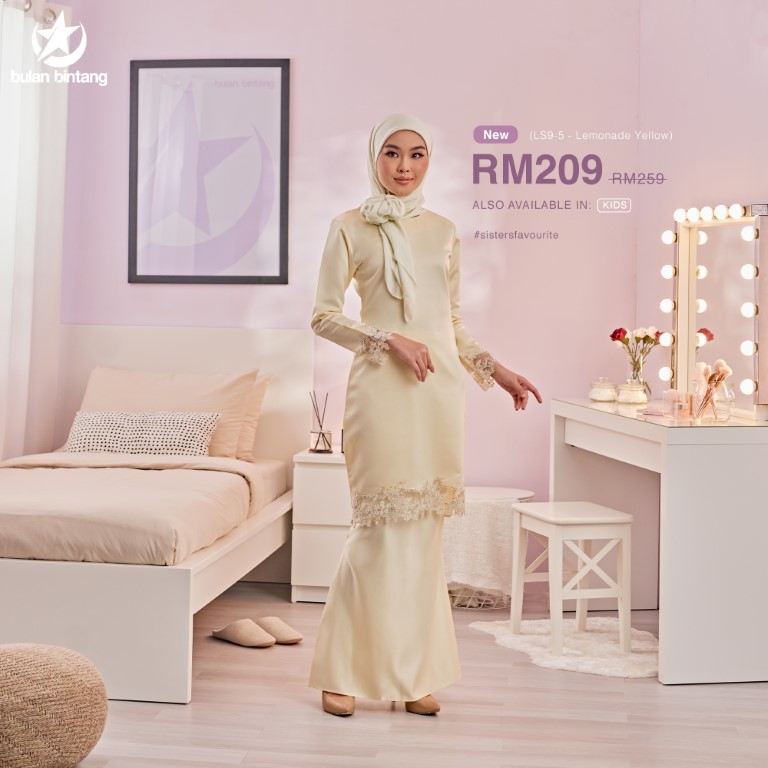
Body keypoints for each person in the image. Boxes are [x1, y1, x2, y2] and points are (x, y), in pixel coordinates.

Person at [308, 113, 541, 717]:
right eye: (392, 153)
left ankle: (412, 675)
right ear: (374, 158)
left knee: (422, 539)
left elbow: (449, 322)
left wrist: (496, 370)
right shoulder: (348, 227)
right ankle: (342, 672)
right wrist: (388, 340)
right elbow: (324, 317)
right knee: (376, 534)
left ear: (429, 161)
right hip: (380, 395)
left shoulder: (443, 232)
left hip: (437, 396)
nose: (404, 166)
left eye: (416, 154)